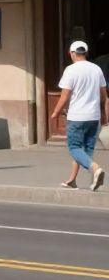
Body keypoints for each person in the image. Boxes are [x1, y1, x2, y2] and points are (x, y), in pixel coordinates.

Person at [51, 40, 108, 190]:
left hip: (77, 117)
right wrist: (104, 116)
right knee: (85, 151)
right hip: (93, 116)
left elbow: (64, 96)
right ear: (86, 53)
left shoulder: (71, 70)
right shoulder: (96, 69)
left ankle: (96, 169)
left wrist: (55, 113)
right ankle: (73, 180)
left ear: (72, 53)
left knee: (74, 148)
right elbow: (104, 96)